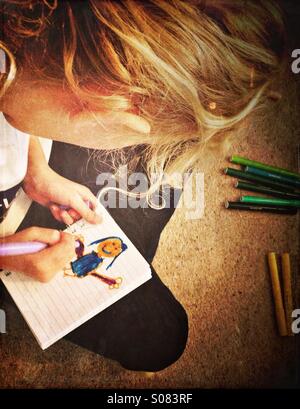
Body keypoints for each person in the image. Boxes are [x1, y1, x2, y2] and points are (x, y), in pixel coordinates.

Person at [0, 0, 285, 372]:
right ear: (103, 110)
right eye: (116, 136)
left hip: (34, 154)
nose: (113, 147)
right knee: (161, 335)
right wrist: (7, 256)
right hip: (13, 233)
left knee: (175, 148)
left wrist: (38, 172)